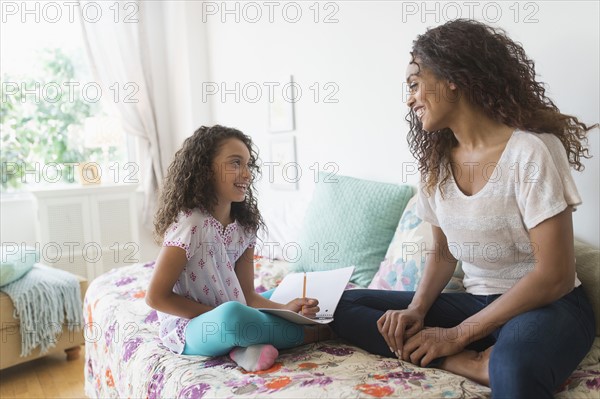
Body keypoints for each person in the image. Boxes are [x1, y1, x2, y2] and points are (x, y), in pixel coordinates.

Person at [330, 19, 597, 398]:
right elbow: (442, 253)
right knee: (340, 305)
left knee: (513, 369)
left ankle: (483, 360)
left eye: (414, 84)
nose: (409, 99)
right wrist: (418, 311)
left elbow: (554, 275)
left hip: (548, 307)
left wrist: (456, 335)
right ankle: (467, 363)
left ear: (452, 77)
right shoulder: (435, 165)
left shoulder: (531, 151)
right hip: (477, 304)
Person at [146, 125, 327, 372]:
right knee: (232, 316)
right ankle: (314, 333)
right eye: (235, 163)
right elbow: (156, 297)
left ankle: (247, 345)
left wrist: (286, 309)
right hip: (192, 326)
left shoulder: (245, 227)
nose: (247, 174)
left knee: (285, 292)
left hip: (236, 310)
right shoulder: (190, 224)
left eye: (248, 165)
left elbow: (248, 296)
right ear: (205, 168)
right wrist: (219, 312)